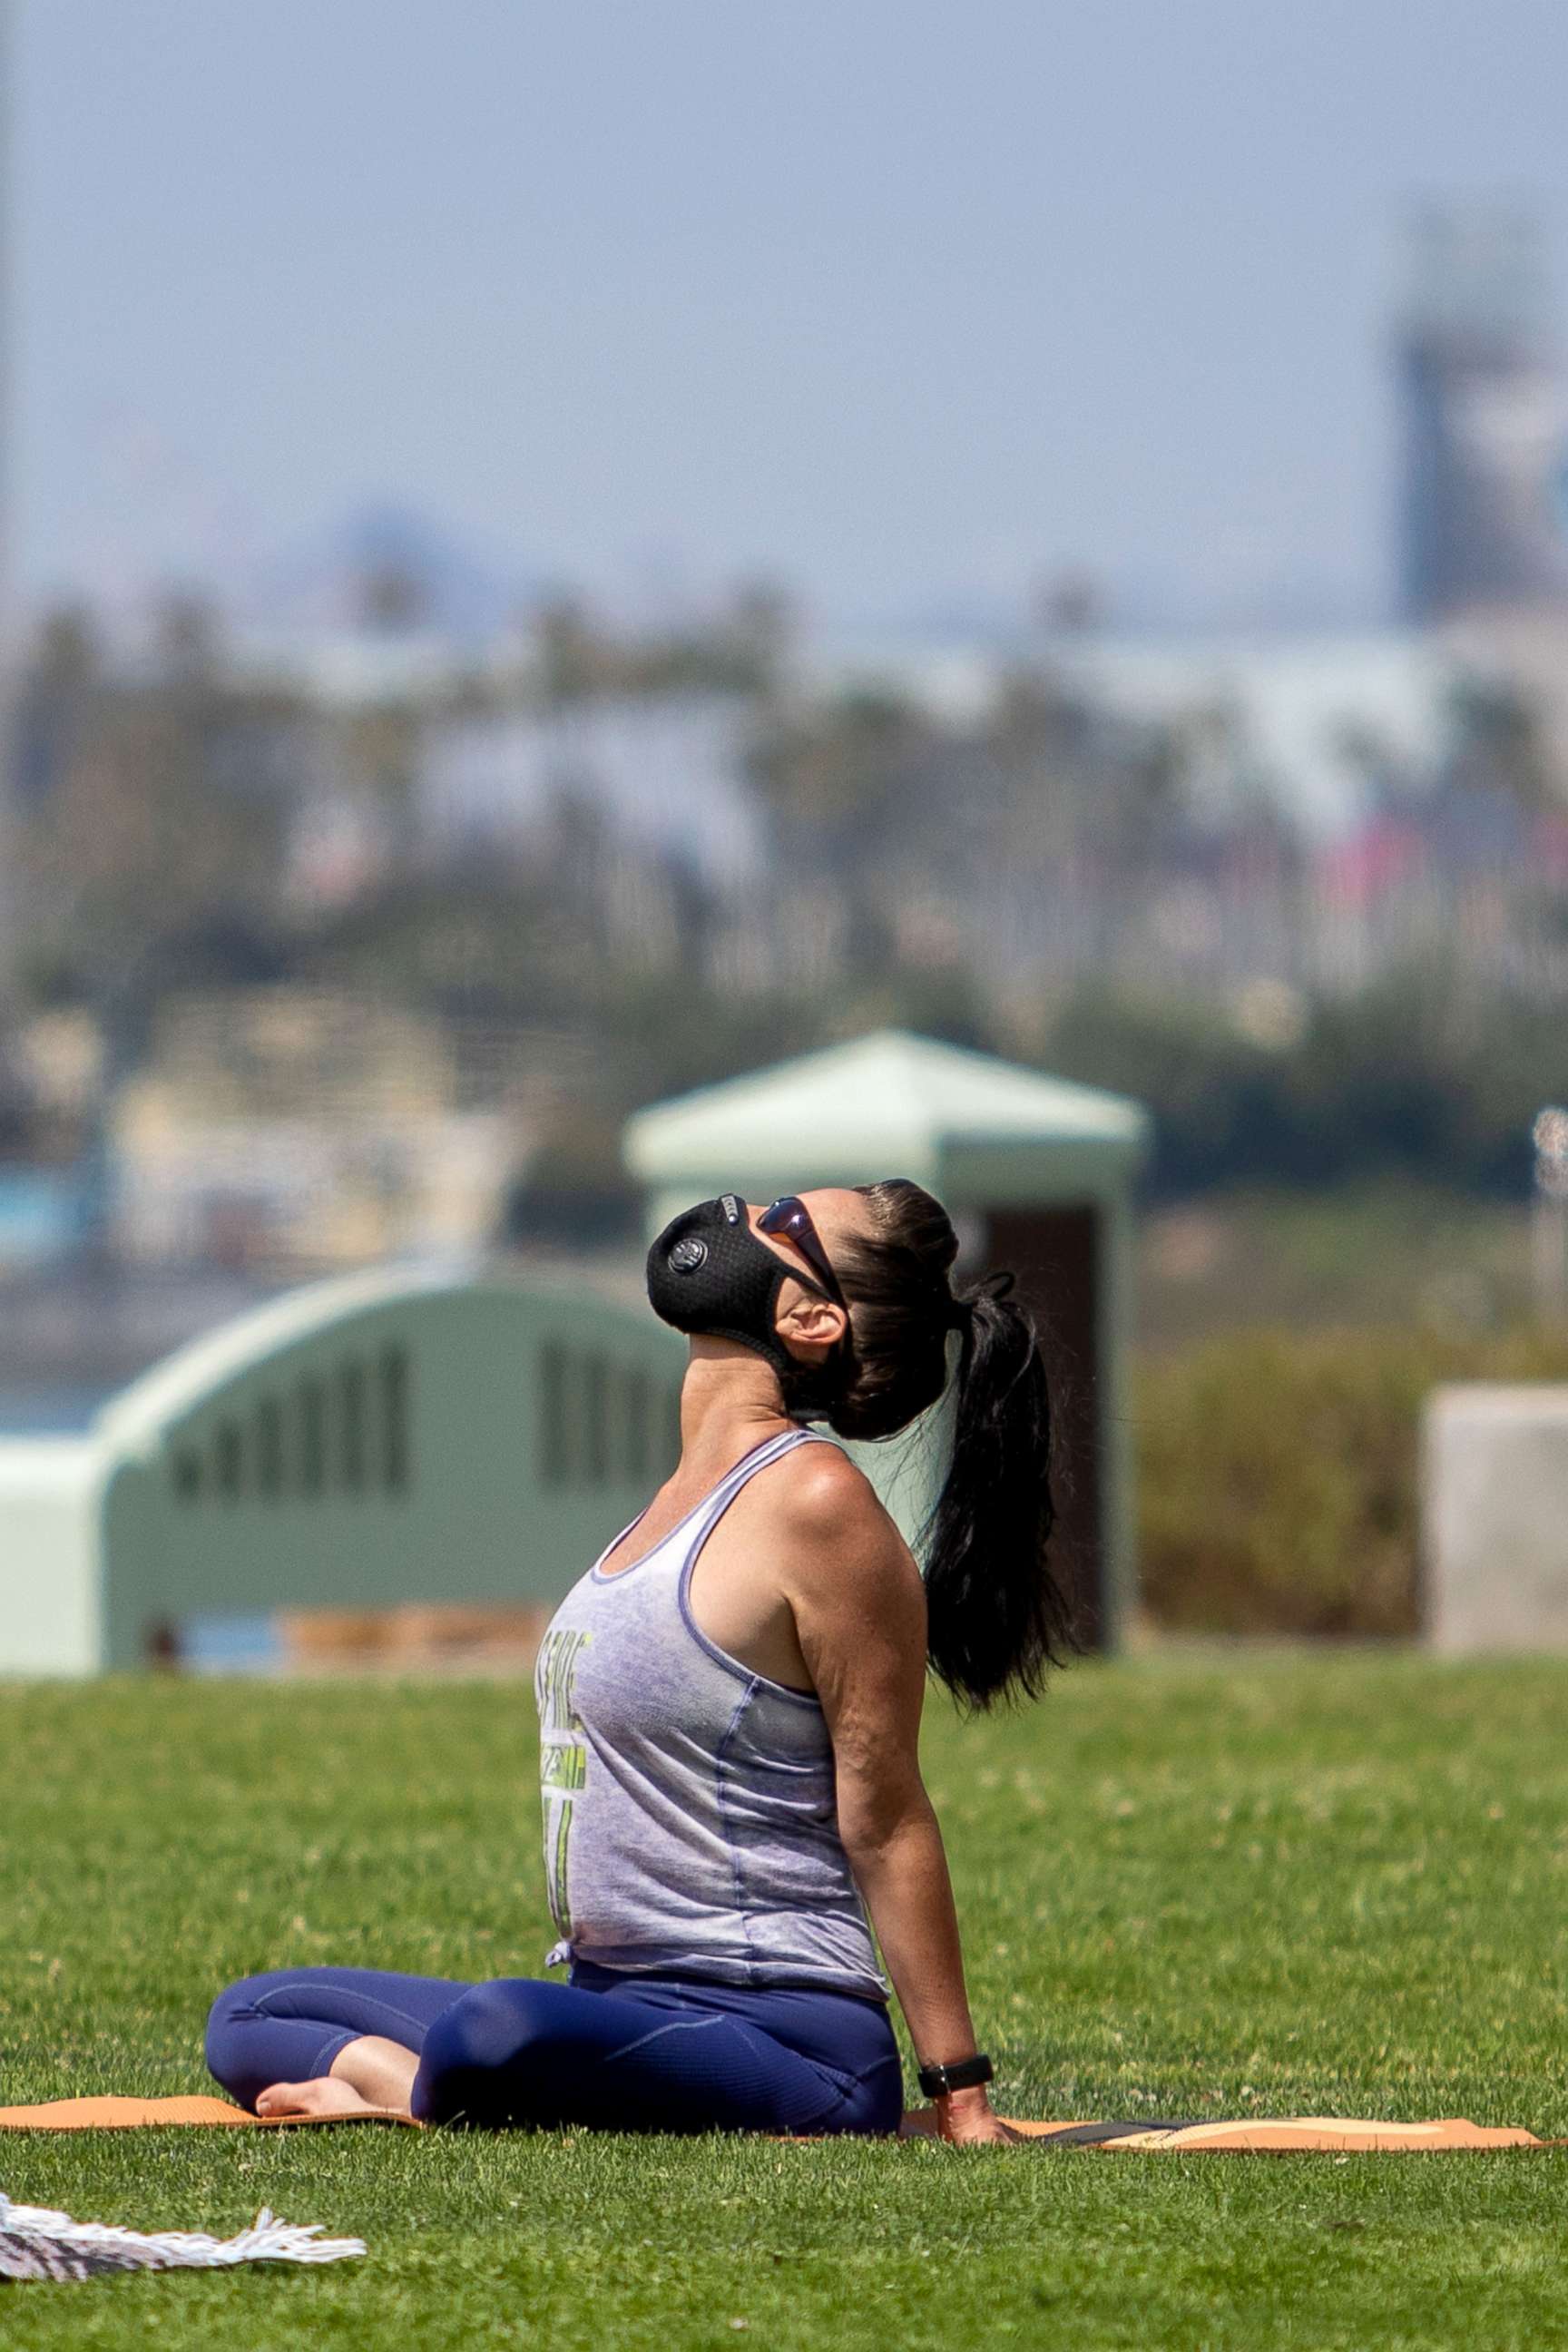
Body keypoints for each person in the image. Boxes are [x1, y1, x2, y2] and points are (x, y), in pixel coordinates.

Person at [206, 1182, 1076, 2143]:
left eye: (779, 1220)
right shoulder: (670, 1506)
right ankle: (414, 2080)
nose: (740, 1212)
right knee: (252, 2015)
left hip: (787, 2036)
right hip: (615, 1997)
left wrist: (960, 2094)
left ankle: (410, 2087)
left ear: (812, 1318)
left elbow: (888, 1814)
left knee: (497, 2026)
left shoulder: (816, 1503)